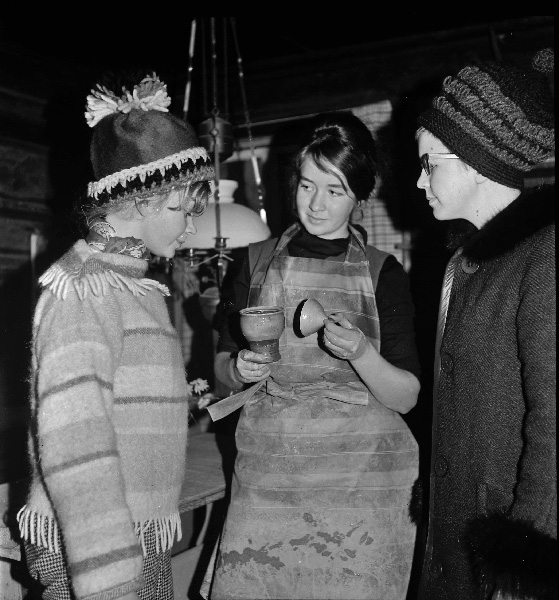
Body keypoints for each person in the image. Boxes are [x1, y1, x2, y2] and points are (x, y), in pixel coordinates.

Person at [203, 111, 421, 600]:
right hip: (271, 469)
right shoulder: (255, 261)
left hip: (361, 480)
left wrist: (361, 353)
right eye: (306, 186)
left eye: (335, 190)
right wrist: (236, 368)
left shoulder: (383, 273)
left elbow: (406, 397)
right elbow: (220, 367)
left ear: (360, 196)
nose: (316, 204)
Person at [16, 73, 214, 599]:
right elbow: (75, 448)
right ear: (145, 200)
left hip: (132, 529)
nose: (190, 226)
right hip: (97, 546)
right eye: (181, 209)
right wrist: (109, 581)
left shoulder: (131, 286)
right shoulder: (86, 291)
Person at [415, 48, 556, 600]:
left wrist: (523, 570)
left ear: (476, 162)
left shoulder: (544, 257)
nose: (419, 181)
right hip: (458, 532)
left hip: (506, 549)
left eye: (429, 163)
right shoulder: (464, 263)